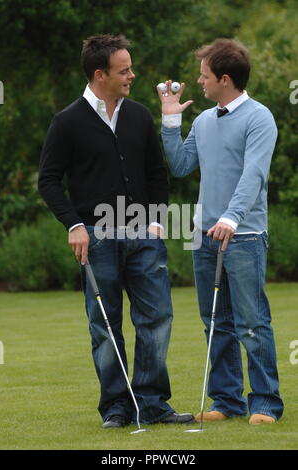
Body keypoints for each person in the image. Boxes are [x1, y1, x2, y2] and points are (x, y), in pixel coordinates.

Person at [38, 34, 194, 428]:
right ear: (99, 74)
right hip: (96, 236)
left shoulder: (140, 115)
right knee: (105, 325)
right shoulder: (67, 121)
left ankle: (153, 404)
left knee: (157, 319)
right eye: (124, 70)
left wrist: (157, 222)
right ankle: (117, 407)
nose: (132, 75)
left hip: (145, 235)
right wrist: (74, 224)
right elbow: (49, 181)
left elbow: (157, 174)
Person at [158, 38, 284, 424]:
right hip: (204, 237)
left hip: (243, 235)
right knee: (216, 322)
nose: (199, 81)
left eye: (205, 75)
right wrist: (169, 120)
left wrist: (230, 217)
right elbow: (180, 164)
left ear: (224, 79)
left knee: (251, 321)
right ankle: (227, 402)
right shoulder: (204, 120)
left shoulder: (260, 117)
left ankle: (265, 403)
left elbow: (254, 174)